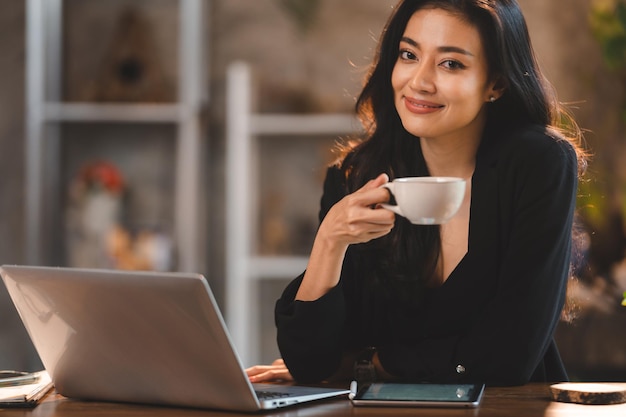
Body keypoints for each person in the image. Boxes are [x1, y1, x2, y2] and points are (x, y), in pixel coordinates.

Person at [246, 0, 587, 386]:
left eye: (451, 63)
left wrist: (366, 364)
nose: (419, 81)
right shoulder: (358, 175)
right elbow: (311, 363)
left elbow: (508, 357)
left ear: (496, 84)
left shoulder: (539, 164)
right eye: (409, 55)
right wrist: (330, 240)